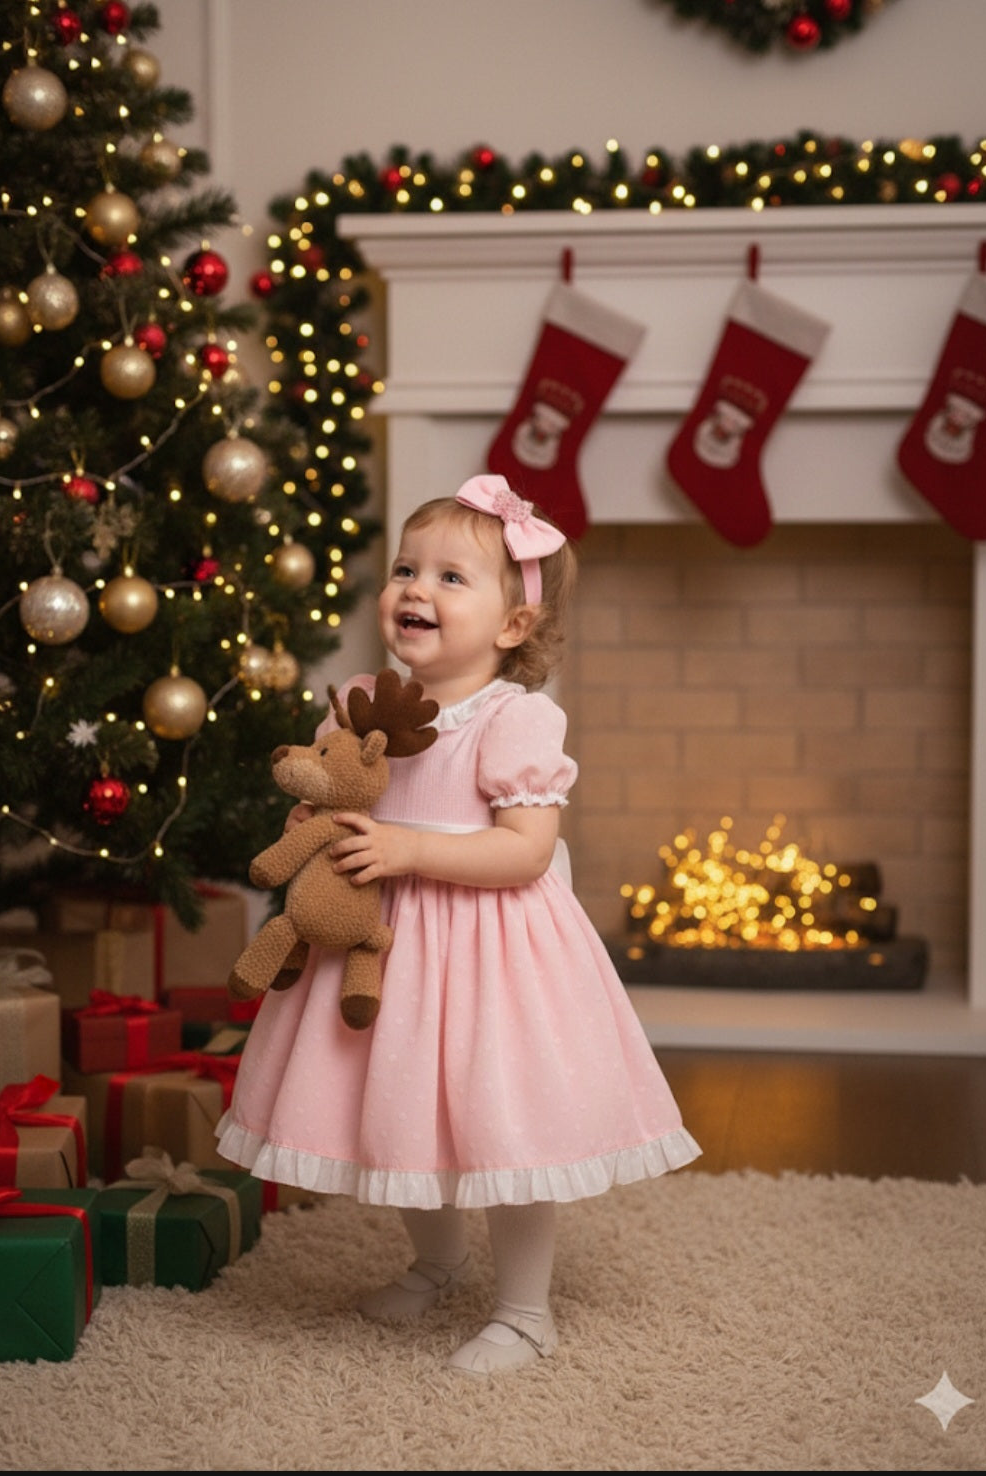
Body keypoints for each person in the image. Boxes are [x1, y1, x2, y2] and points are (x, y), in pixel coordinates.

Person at [216, 473, 701, 1375]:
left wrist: (407, 849)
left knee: (499, 1124)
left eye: (451, 578)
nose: (415, 590)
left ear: (512, 624)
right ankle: (435, 1263)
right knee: (400, 1106)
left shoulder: (514, 720)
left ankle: (524, 1311)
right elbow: (338, 793)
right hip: (386, 947)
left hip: (490, 955)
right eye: (407, 569)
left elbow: (521, 852)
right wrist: (317, 832)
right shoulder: (363, 700)